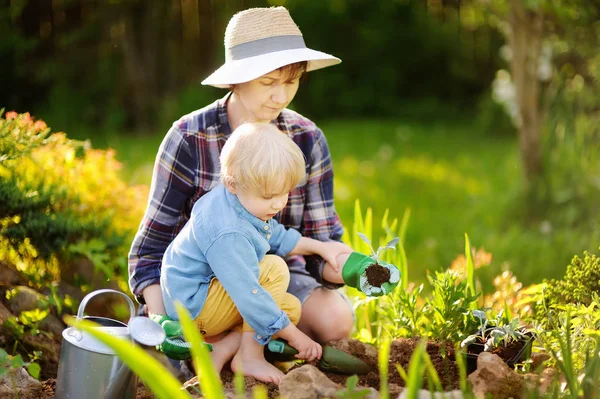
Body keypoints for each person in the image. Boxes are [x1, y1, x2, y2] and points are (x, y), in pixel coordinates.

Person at [128, 6, 354, 363]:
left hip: (271, 273)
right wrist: (162, 320)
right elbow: (150, 250)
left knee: (337, 319)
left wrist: (336, 263)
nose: (280, 97)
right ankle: (240, 344)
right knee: (168, 361)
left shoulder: (307, 138)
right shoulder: (190, 138)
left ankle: (243, 344)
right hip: (198, 284)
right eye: (268, 83)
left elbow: (319, 240)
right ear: (236, 79)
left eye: (290, 82)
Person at [159, 122, 351, 384]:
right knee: (274, 270)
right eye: (269, 195)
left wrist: (319, 246)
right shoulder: (228, 232)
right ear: (232, 183)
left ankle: (223, 351)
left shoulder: (239, 201)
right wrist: (296, 337)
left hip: (207, 296)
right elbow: (249, 294)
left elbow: (275, 235)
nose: (277, 203)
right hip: (195, 308)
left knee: (288, 308)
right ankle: (250, 355)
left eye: (285, 193)